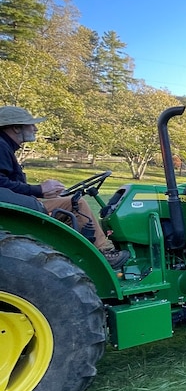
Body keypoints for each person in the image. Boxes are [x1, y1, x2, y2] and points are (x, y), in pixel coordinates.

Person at [0, 105, 130, 269]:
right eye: (30, 124)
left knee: (67, 201)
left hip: (17, 205)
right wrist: (38, 190)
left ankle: (73, 256)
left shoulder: (5, 146)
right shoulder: (1, 146)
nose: (36, 128)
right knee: (77, 203)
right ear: (16, 127)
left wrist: (42, 192)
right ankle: (103, 252)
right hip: (15, 210)